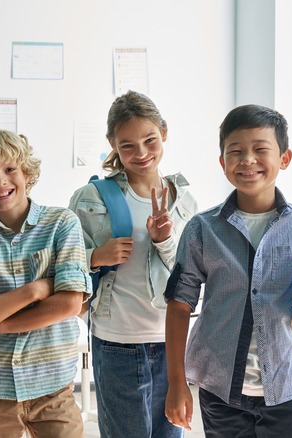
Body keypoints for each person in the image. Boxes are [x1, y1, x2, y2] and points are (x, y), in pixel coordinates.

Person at [164, 104, 292, 437]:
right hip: (220, 389)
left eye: (260, 149)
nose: (247, 160)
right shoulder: (202, 229)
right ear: (223, 162)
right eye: (236, 151)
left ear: (284, 158)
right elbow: (179, 305)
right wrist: (176, 383)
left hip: (289, 387)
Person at [67, 90, 197, 438]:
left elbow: (191, 276)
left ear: (164, 134)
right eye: (127, 145)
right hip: (116, 343)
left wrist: (164, 241)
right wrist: (97, 256)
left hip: (170, 340)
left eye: (150, 140)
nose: (140, 153)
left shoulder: (184, 201)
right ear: (112, 143)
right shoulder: (91, 198)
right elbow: (62, 265)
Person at [0, 129, 90, 438]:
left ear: (26, 172)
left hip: (52, 384)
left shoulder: (62, 223)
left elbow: (70, 303)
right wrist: (35, 290)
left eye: (10, 169)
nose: (0, 181)